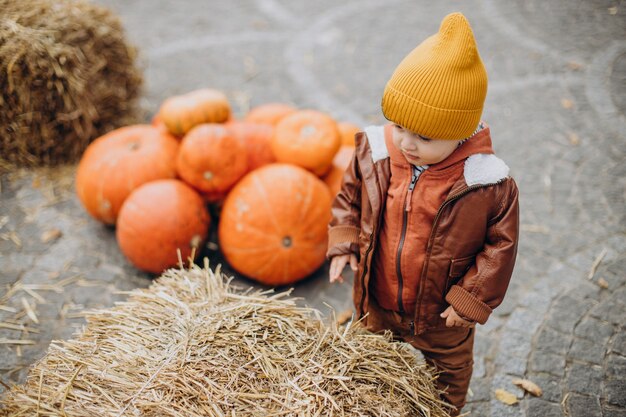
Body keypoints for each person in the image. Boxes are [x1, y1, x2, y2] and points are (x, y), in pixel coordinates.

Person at [327, 12, 519, 416]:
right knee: (369, 368)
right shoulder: (376, 153)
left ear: (461, 132)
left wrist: (470, 299)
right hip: (377, 299)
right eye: (400, 126)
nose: (407, 143)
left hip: (439, 314)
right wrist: (344, 241)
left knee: (448, 374)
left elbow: (500, 247)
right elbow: (349, 195)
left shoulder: (487, 185)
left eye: (424, 137)